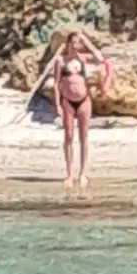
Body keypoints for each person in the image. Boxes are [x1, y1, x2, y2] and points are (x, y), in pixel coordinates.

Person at [49, 29, 115, 190]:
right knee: (69, 135)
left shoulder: (83, 59)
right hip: (67, 101)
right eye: (75, 42)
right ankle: (69, 173)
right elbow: (57, 84)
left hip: (84, 100)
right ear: (69, 43)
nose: (77, 46)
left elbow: (100, 59)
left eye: (79, 43)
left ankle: (83, 172)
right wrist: (57, 104)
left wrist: (86, 40)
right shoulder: (61, 61)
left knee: (84, 136)